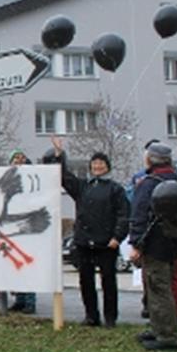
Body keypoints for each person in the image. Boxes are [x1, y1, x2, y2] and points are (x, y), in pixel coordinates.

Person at [52, 137, 129, 327]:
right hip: (84, 241)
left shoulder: (115, 189)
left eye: (101, 163)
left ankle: (110, 318)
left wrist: (117, 237)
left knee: (108, 283)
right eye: (94, 164)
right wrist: (60, 156)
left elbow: (124, 215)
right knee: (86, 282)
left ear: (107, 167)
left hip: (106, 242)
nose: (97, 166)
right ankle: (91, 316)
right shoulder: (82, 187)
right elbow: (64, 177)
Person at [127, 143, 177, 351]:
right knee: (164, 286)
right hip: (174, 243)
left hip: (154, 245)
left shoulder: (149, 183)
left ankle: (166, 336)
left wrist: (135, 244)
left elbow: (139, 215)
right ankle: (158, 328)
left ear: (150, 159)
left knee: (157, 288)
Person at [7, 149, 38, 314]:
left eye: (21, 157)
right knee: (15, 265)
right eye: (15, 158)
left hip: (28, 225)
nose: (18, 160)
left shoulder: (33, 176)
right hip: (13, 225)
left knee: (28, 266)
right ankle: (19, 299)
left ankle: (30, 301)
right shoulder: (8, 178)